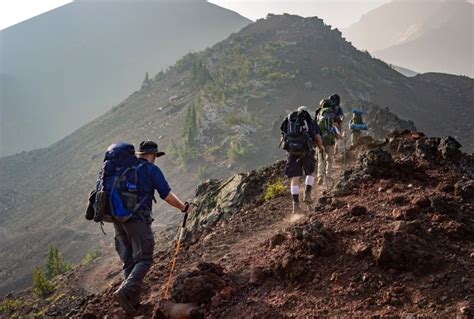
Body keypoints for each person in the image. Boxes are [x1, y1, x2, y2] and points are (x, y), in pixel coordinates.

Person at [112, 140, 193, 314]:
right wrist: (183, 207)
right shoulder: (150, 170)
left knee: (130, 261)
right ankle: (125, 291)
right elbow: (166, 194)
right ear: (152, 155)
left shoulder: (123, 169)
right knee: (144, 259)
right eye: (155, 155)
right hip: (137, 220)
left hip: (117, 220)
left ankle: (132, 305)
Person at [281, 106, 324, 213]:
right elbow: (317, 137)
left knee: (294, 179)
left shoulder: (289, 121)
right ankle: (307, 193)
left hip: (292, 152)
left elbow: (283, 137)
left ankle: (295, 206)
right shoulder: (309, 121)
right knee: (310, 173)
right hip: (306, 151)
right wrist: (320, 148)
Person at [316, 99, 341, 185]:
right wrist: (338, 136)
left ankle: (320, 176)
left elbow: (315, 127)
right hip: (330, 140)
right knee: (329, 159)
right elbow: (337, 125)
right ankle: (328, 174)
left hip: (321, 141)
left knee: (321, 159)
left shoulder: (319, 114)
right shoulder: (333, 114)